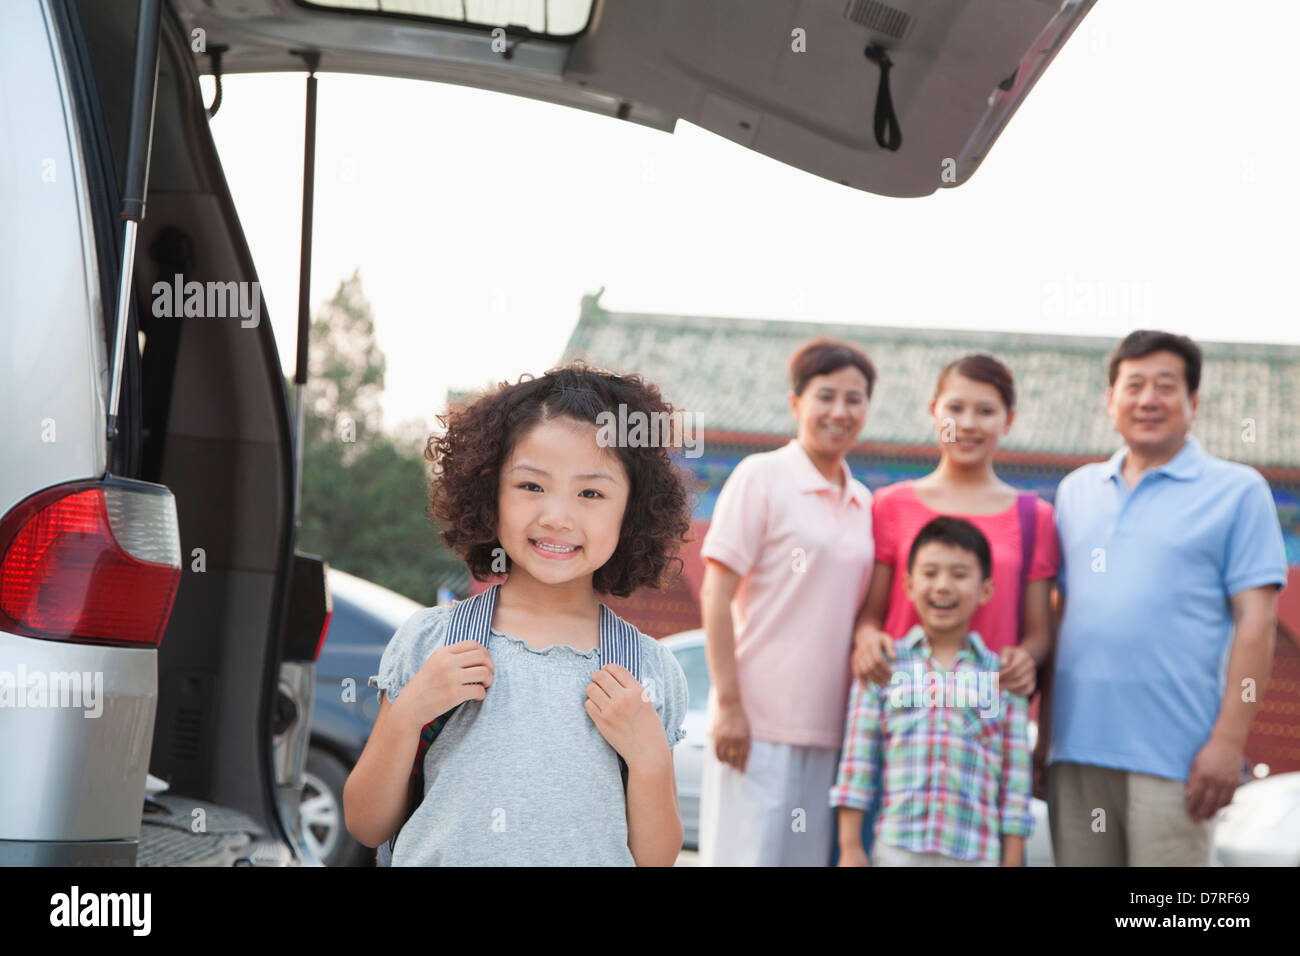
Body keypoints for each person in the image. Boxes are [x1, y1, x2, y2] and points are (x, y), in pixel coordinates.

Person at [342, 365, 693, 866]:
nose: (556, 516)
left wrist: (650, 758)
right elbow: (365, 822)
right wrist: (410, 712)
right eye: (532, 486)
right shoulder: (430, 643)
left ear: (632, 511)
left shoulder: (650, 672)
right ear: (490, 493)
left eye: (590, 493)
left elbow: (655, 859)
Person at [1048, 330, 1287, 866]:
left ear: (1193, 402)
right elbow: (1061, 616)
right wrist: (1044, 746)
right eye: (1133, 385)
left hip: (1176, 760)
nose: (1148, 399)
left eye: (1165, 386)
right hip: (1077, 754)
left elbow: (1257, 623)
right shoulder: (1076, 491)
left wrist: (1228, 742)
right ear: (1110, 401)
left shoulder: (1236, 491)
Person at [698, 337, 877, 866]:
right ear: (797, 402)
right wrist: (729, 705)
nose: (840, 411)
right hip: (755, 724)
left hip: (831, 726)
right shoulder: (762, 476)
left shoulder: (864, 501)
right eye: (826, 396)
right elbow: (716, 592)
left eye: (855, 398)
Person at [832, 516, 1035, 866]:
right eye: (929, 573)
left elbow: (1016, 785)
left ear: (986, 589)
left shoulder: (1002, 680)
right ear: (908, 586)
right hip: (897, 850)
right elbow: (856, 767)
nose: (942, 586)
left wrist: (1013, 859)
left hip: (975, 853)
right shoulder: (883, 669)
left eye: (959, 575)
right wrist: (851, 849)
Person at [852, 353, 1059, 695]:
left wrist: (1024, 658)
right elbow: (870, 613)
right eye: (955, 408)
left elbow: (1039, 632)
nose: (967, 424)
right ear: (934, 412)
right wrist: (868, 640)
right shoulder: (890, 505)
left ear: (1009, 420)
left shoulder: (1034, 517)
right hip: (901, 703)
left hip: (986, 709)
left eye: (986, 411)